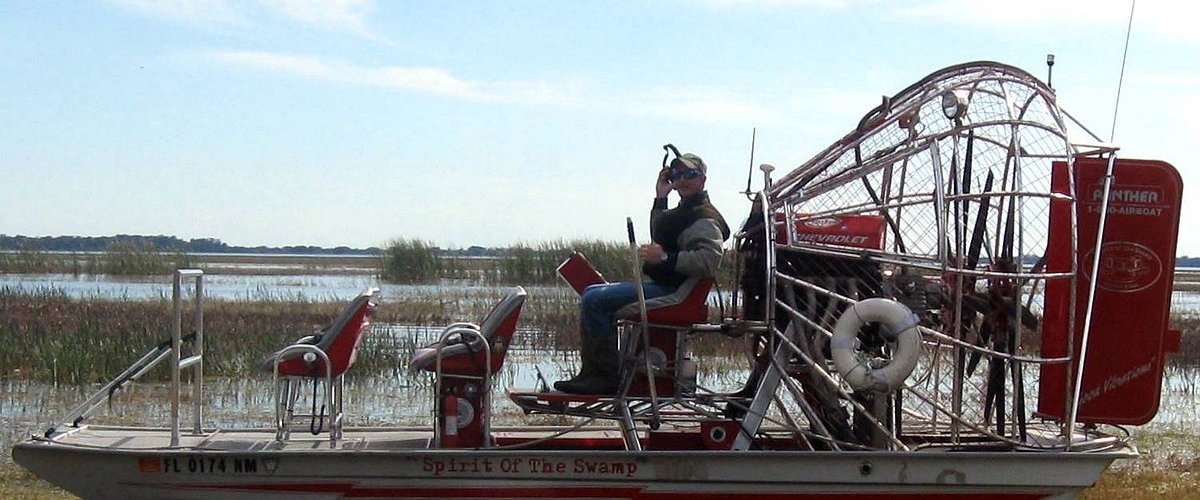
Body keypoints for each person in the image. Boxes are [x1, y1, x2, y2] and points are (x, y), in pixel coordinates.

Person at [554, 152, 731, 395]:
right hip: (669, 287)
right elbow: (662, 232)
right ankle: (593, 374)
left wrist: (665, 258)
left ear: (702, 179)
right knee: (592, 292)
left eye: (690, 174)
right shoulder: (687, 211)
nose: (682, 180)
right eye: (677, 175)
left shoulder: (704, 218)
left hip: (678, 294)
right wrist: (661, 198)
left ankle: (603, 377)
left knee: (595, 300)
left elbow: (709, 260)